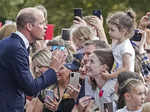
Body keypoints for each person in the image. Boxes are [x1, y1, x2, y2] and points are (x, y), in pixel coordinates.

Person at [0, 7, 65, 112]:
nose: (45, 27)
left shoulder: (12, 44)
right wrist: (52, 69)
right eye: (41, 23)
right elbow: (30, 88)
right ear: (29, 26)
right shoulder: (16, 48)